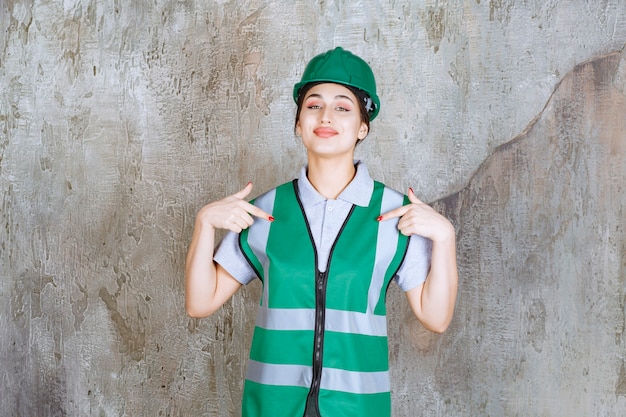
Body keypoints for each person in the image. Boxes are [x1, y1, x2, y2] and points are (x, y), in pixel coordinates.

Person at [185, 47, 458, 417]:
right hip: (272, 407)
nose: (326, 115)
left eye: (343, 107)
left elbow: (435, 317)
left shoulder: (395, 216)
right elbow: (200, 302)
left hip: (359, 408)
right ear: (298, 123)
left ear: (363, 126)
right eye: (313, 105)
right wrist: (204, 223)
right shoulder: (264, 212)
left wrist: (444, 238)